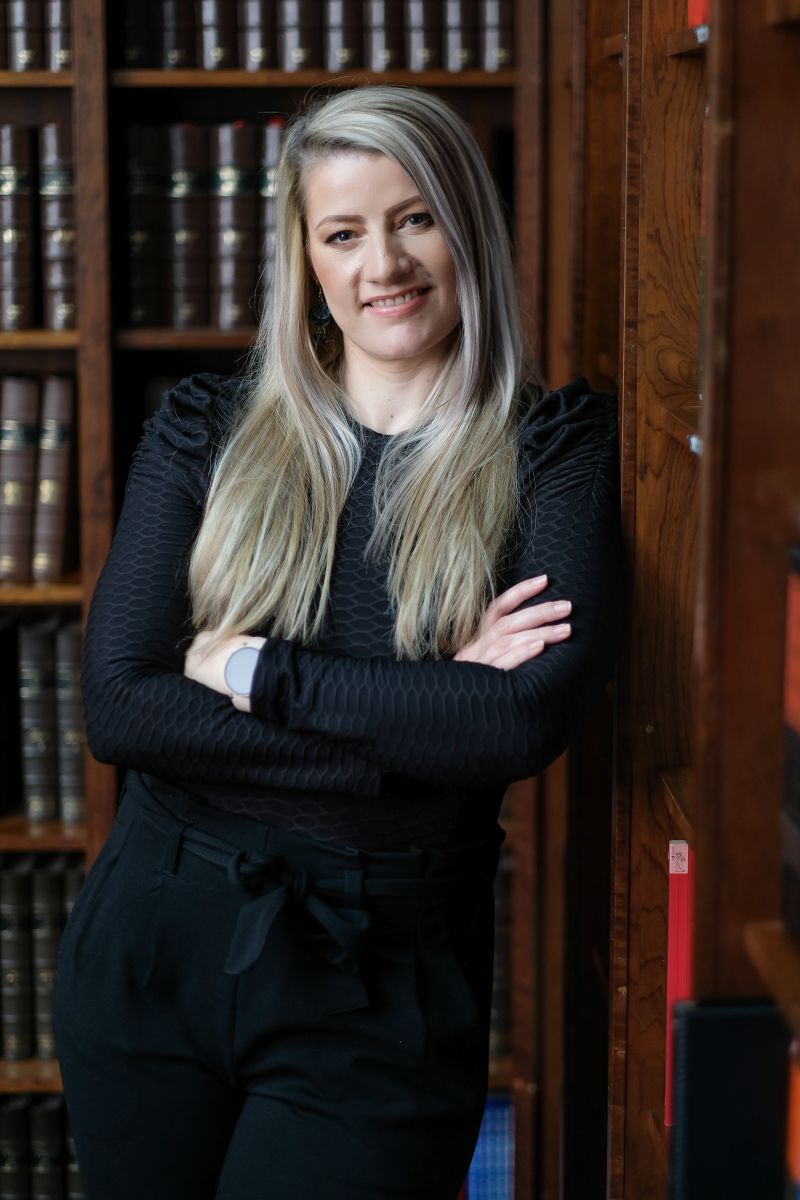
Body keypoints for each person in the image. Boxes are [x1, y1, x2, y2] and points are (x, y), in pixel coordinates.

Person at [53, 85, 623, 1199]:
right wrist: (417, 723)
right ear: (306, 260)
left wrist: (249, 669)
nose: (384, 265)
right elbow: (119, 707)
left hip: (384, 978)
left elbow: (517, 721)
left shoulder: (554, 451)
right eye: (344, 233)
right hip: (156, 939)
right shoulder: (207, 429)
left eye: (415, 219)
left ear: (469, 227)